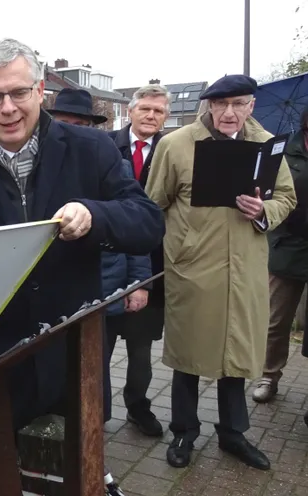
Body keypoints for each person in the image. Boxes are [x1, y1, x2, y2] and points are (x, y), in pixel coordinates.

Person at [0, 38, 164, 496]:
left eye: (18, 93)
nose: (8, 108)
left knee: (69, 478)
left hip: (73, 357)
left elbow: (147, 223)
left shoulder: (90, 150)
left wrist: (96, 216)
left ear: (39, 92)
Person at [145, 74, 296, 471]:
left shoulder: (267, 145)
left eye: (239, 104)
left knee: (238, 353)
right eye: (221, 104)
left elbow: (286, 197)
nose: (230, 113)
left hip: (246, 267)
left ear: (251, 106)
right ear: (209, 105)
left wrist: (265, 212)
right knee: (189, 354)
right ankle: (184, 431)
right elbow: (153, 202)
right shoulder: (176, 145)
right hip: (194, 268)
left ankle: (233, 433)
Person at [47, 88, 153, 425]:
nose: (73, 129)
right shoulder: (40, 163)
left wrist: (138, 282)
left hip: (102, 287)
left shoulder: (109, 161)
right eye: (64, 122)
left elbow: (136, 224)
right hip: (53, 288)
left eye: (81, 123)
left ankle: (91, 440)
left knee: (94, 367)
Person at [107, 84, 172, 437]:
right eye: (145, 108)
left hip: (152, 260)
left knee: (141, 347)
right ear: (130, 111)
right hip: (107, 259)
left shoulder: (172, 150)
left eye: (158, 112)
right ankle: (94, 407)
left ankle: (138, 405)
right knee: (97, 347)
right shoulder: (105, 146)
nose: (150, 116)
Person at [253, 105, 308, 404]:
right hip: (287, 247)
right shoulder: (283, 150)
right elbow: (269, 196)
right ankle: (269, 376)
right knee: (277, 320)